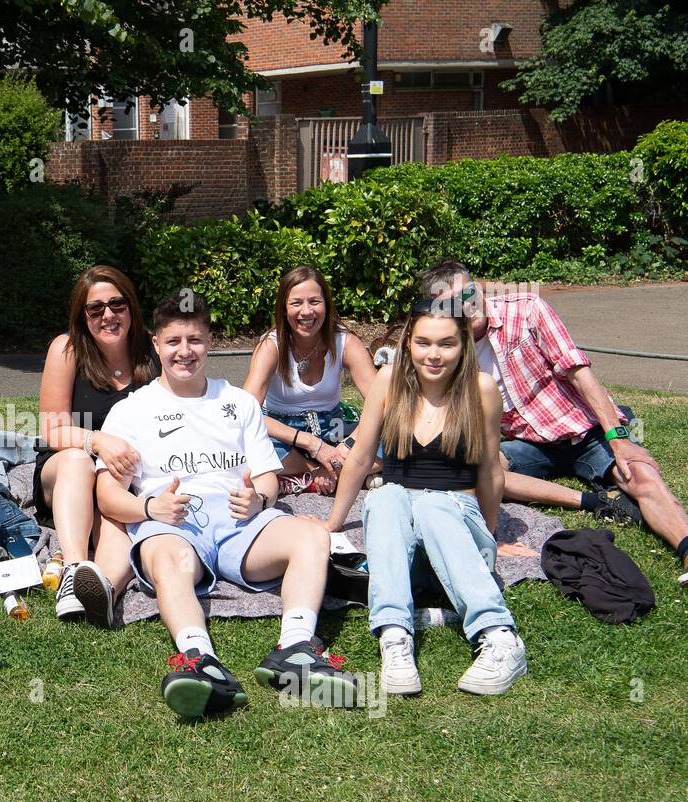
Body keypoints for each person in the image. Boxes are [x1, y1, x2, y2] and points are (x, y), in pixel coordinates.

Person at [94, 291, 355, 720]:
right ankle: (200, 662)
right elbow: (107, 495)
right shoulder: (130, 411)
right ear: (156, 344)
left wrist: (262, 498)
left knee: (312, 535)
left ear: (209, 342)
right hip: (174, 522)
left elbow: (268, 475)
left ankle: (295, 650)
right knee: (168, 558)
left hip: (241, 523)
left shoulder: (238, 402)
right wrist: (148, 509)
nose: (185, 351)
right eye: (174, 341)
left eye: (195, 340)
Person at [416, 261, 688, 586]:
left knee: (640, 475)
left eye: (470, 294)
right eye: (455, 304)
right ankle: (595, 501)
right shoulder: (449, 349)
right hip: (529, 445)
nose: (469, 306)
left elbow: (580, 373)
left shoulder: (527, 309)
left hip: (585, 430)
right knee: (477, 469)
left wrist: (619, 438)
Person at [317, 298, 527, 696]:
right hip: (406, 552)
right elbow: (361, 458)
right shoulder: (388, 382)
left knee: (432, 502)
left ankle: (500, 637)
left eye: (446, 344)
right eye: (423, 342)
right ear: (407, 342)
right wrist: (331, 524)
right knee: (383, 497)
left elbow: (489, 471)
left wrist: (490, 534)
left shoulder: (480, 389)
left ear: (464, 344)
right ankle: (396, 636)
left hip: (454, 529)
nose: (433, 354)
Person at [35, 265, 155, 627]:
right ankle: (73, 571)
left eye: (117, 305)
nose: (108, 315)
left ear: (131, 307)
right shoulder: (67, 350)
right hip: (68, 467)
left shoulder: (154, 349)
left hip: (124, 474)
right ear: (82, 315)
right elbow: (52, 429)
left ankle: (104, 590)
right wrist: (98, 441)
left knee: (117, 517)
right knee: (77, 461)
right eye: (96, 308)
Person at [242, 265, 378, 495]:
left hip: (334, 429)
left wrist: (348, 446)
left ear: (326, 304)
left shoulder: (345, 342)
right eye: (296, 303)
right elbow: (245, 411)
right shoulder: (270, 346)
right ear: (284, 309)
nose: (306, 312)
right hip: (283, 433)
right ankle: (324, 473)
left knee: (397, 438)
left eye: (314, 301)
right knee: (245, 449)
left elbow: (382, 403)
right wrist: (312, 444)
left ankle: (306, 477)